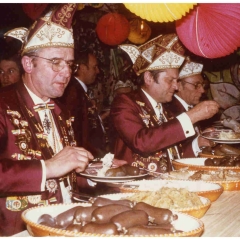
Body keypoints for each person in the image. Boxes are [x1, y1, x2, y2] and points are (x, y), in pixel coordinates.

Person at [0, 4, 94, 236]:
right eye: (55, 63)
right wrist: (48, 168)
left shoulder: (60, 109)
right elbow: (52, 168)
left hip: (64, 225)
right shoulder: (3, 105)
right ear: (28, 64)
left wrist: (97, 173)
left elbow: (64, 175)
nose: (66, 73)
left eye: (70, 64)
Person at [110, 33, 220, 174]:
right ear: (149, 78)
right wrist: (191, 116)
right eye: (170, 80)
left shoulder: (165, 109)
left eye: (176, 80)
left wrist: (196, 143)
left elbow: (172, 157)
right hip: (136, 186)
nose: (175, 86)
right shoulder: (125, 103)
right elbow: (142, 142)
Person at [163, 57, 217, 157]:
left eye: (202, 85)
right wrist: (198, 143)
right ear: (178, 86)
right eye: (196, 85)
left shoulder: (190, 107)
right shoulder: (169, 111)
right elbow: (170, 153)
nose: (202, 90)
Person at [60, 50, 109, 158]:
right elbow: (76, 129)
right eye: (94, 67)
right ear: (82, 68)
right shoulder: (73, 92)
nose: (98, 71)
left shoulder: (79, 90)